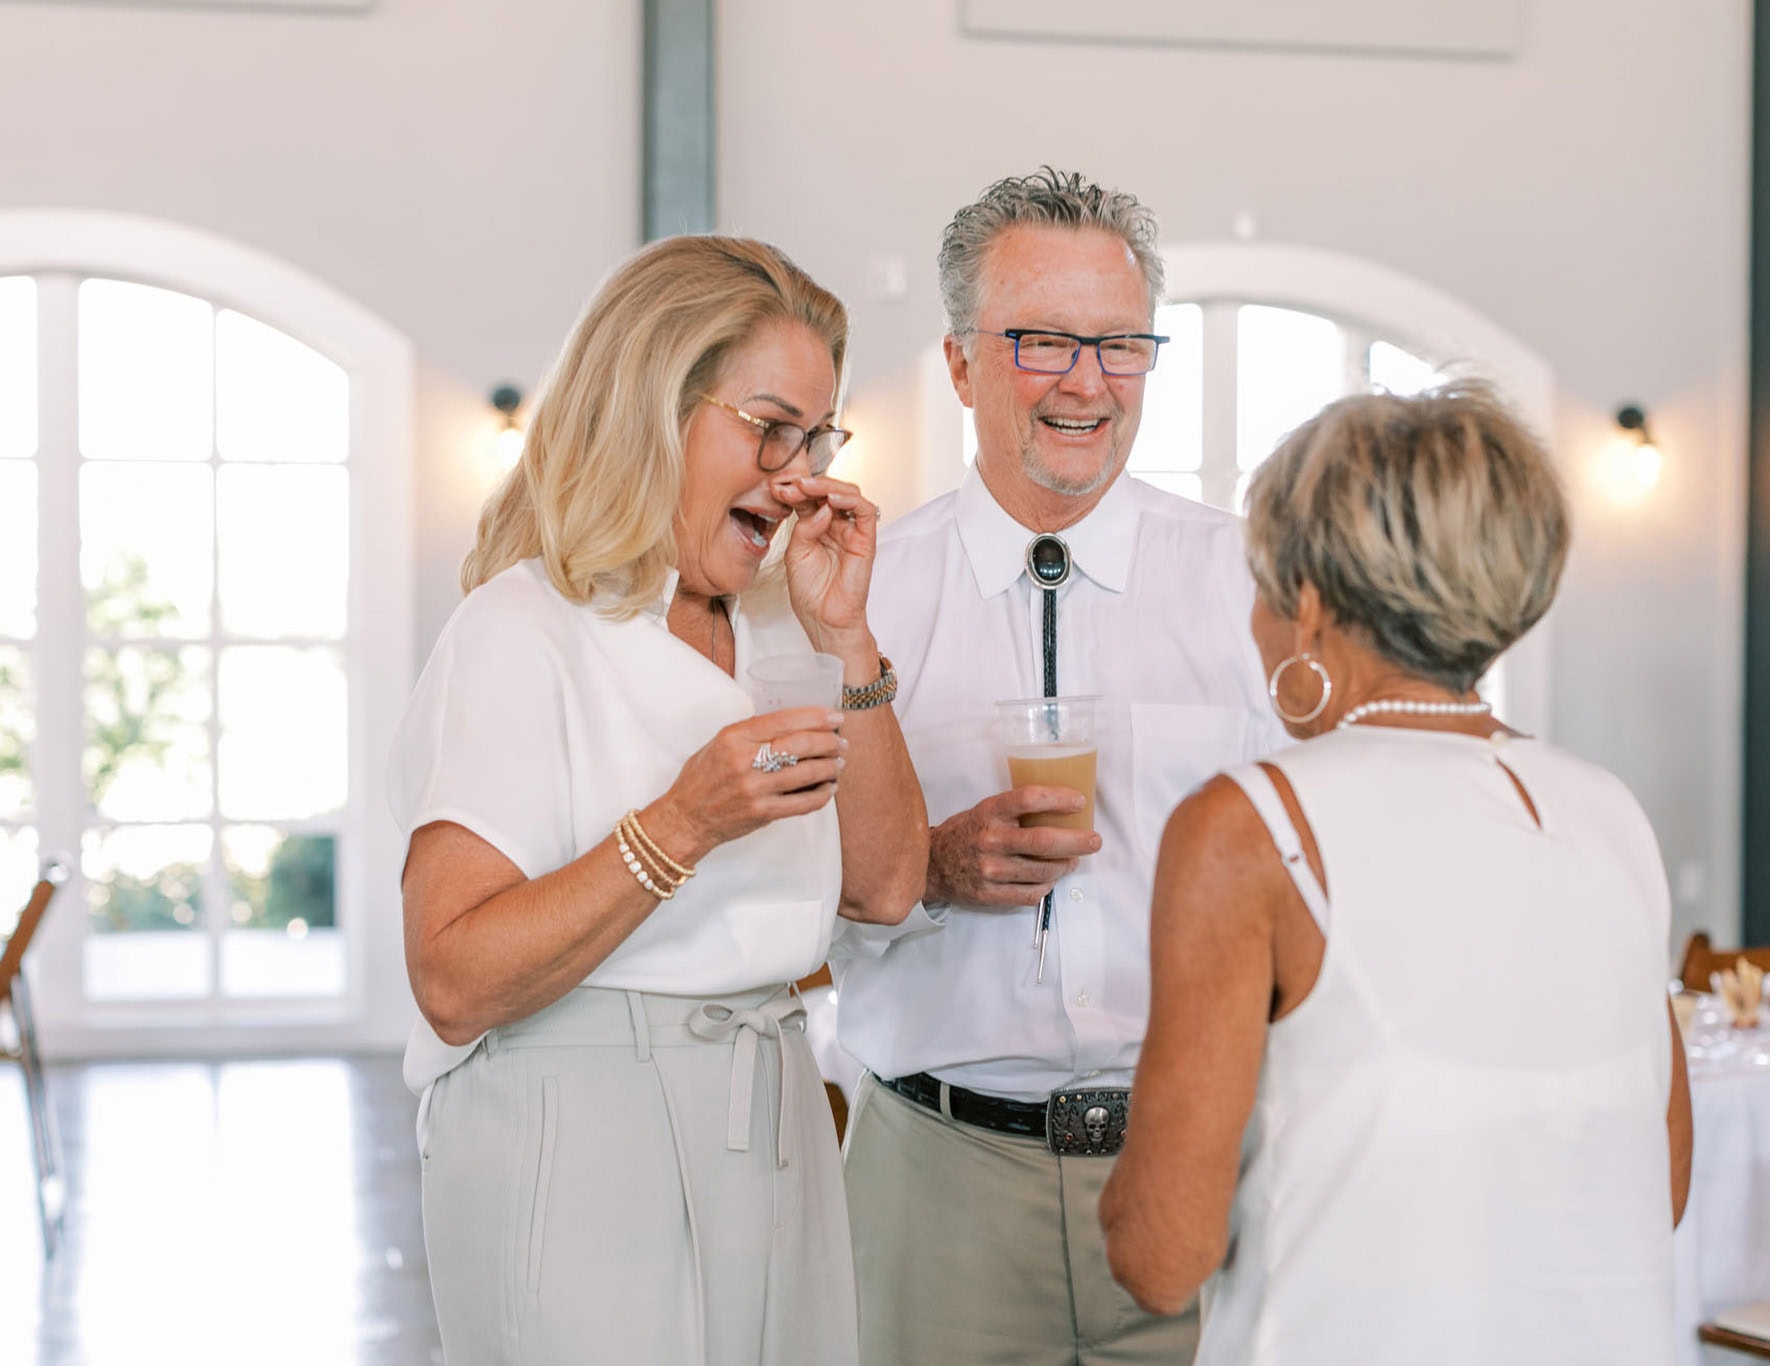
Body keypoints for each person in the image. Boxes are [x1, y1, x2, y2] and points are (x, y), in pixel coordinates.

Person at [391, 235, 925, 1365]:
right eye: (769, 426)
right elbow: (451, 980)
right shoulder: (521, 630)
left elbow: (885, 888)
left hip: (774, 1109)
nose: (796, 475)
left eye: (816, 438)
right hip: (579, 1119)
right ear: (653, 405)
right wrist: (686, 821)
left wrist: (847, 638)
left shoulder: (783, 624)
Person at [1099, 383, 1693, 1364]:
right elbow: (1654, 1185)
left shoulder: (1249, 826)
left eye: (1259, 584)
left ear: (1306, 602)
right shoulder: (1608, 811)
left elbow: (1162, 1256)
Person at [832, 167, 1284, 1365]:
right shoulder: (855, 597)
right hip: (939, 1184)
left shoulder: (1251, 584)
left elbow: (1321, 868)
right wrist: (925, 866)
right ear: (958, 363)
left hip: (1200, 1165)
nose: (1087, 382)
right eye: (1041, 341)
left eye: (1120, 344)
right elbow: (772, 882)